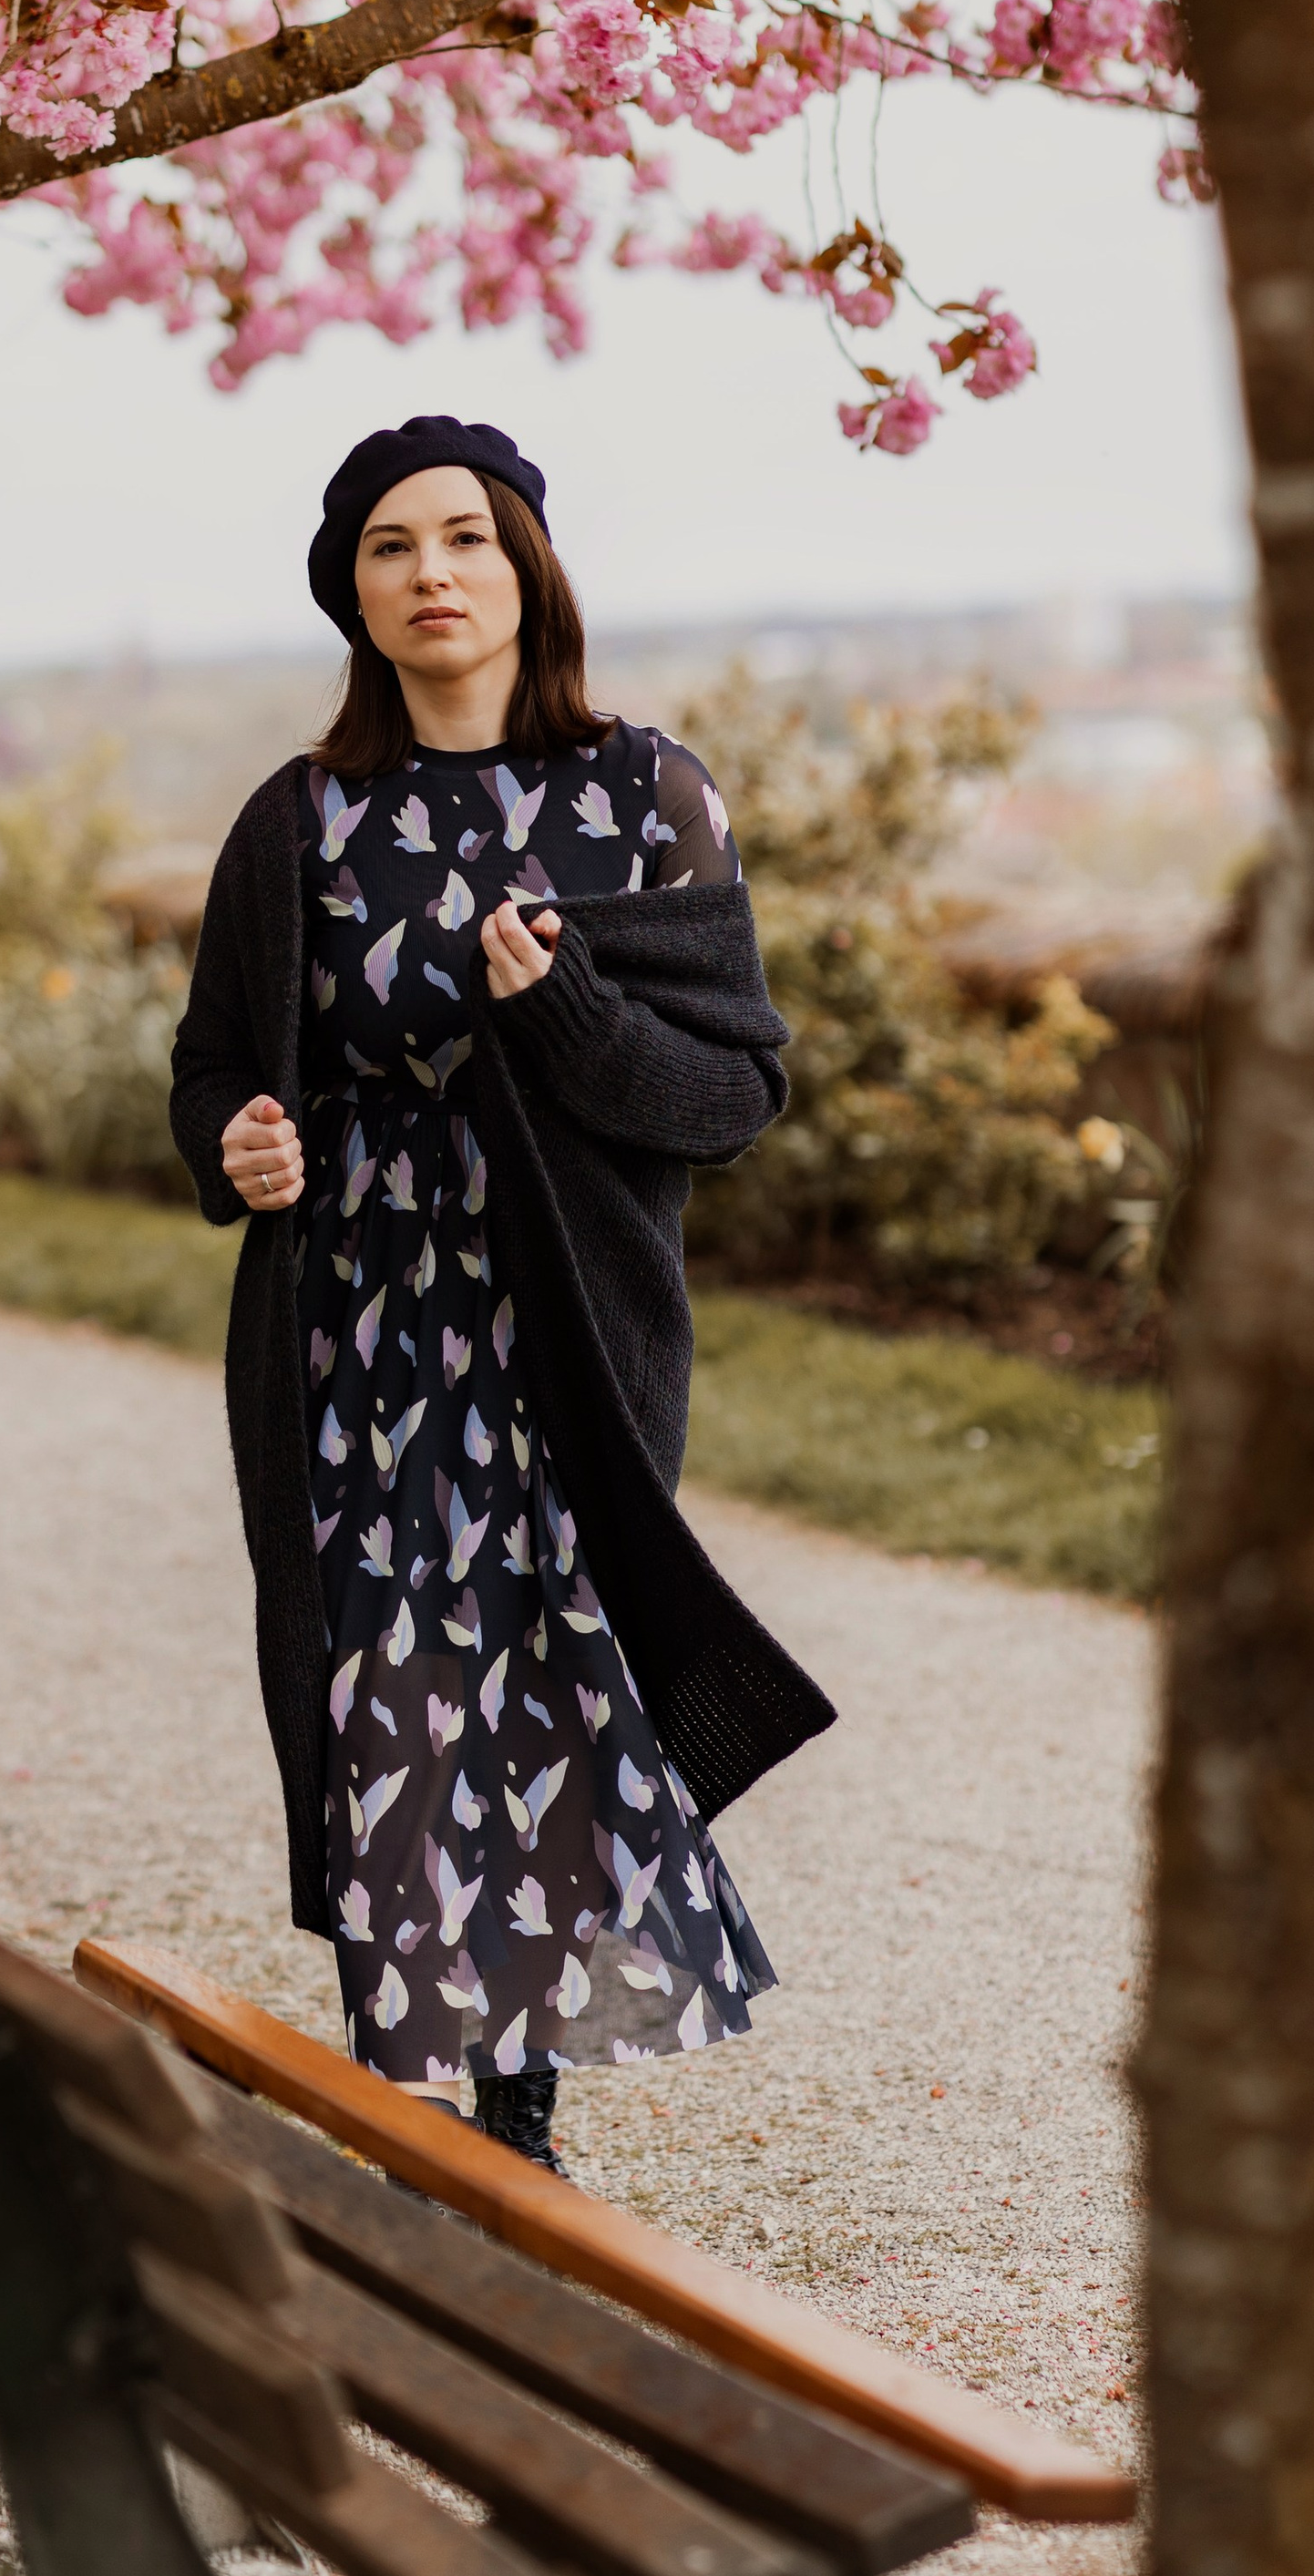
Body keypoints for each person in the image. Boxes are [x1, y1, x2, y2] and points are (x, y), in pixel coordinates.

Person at [169, 417, 834, 2171]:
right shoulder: (301, 819)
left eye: (464, 537)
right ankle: (454, 2092)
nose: (432, 574)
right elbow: (217, 1071)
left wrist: (567, 1016)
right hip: (355, 1326)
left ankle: (513, 2105)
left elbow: (732, 1097)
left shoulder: (646, 797)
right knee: (388, 1679)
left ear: (528, 565)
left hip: (566, 1331)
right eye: (391, 549)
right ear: (356, 595)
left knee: (538, 1674)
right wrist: (240, 1145)